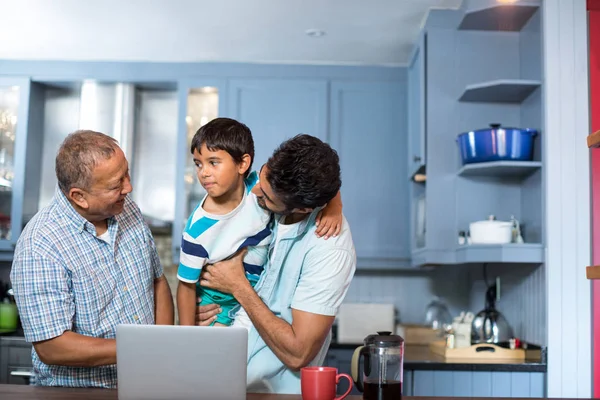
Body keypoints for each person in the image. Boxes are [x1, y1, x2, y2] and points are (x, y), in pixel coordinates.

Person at [10, 130, 174, 388]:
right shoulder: (40, 244)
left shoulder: (126, 207)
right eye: (116, 184)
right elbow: (53, 347)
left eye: (126, 174)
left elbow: (157, 281)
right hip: (81, 393)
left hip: (146, 383)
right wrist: (143, 349)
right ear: (79, 196)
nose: (128, 188)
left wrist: (163, 349)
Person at [196, 134, 356, 394]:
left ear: (304, 209)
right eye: (262, 176)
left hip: (271, 393)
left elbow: (298, 353)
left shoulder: (330, 249)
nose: (256, 191)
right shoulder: (280, 189)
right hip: (219, 381)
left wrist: (238, 286)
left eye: (268, 198)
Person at [177, 118, 342, 327]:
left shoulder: (260, 183)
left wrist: (333, 206)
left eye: (213, 162)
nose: (204, 172)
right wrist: (187, 330)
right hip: (218, 307)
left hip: (255, 296)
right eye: (198, 164)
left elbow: (316, 177)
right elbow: (185, 286)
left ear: (243, 164)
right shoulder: (196, 231)